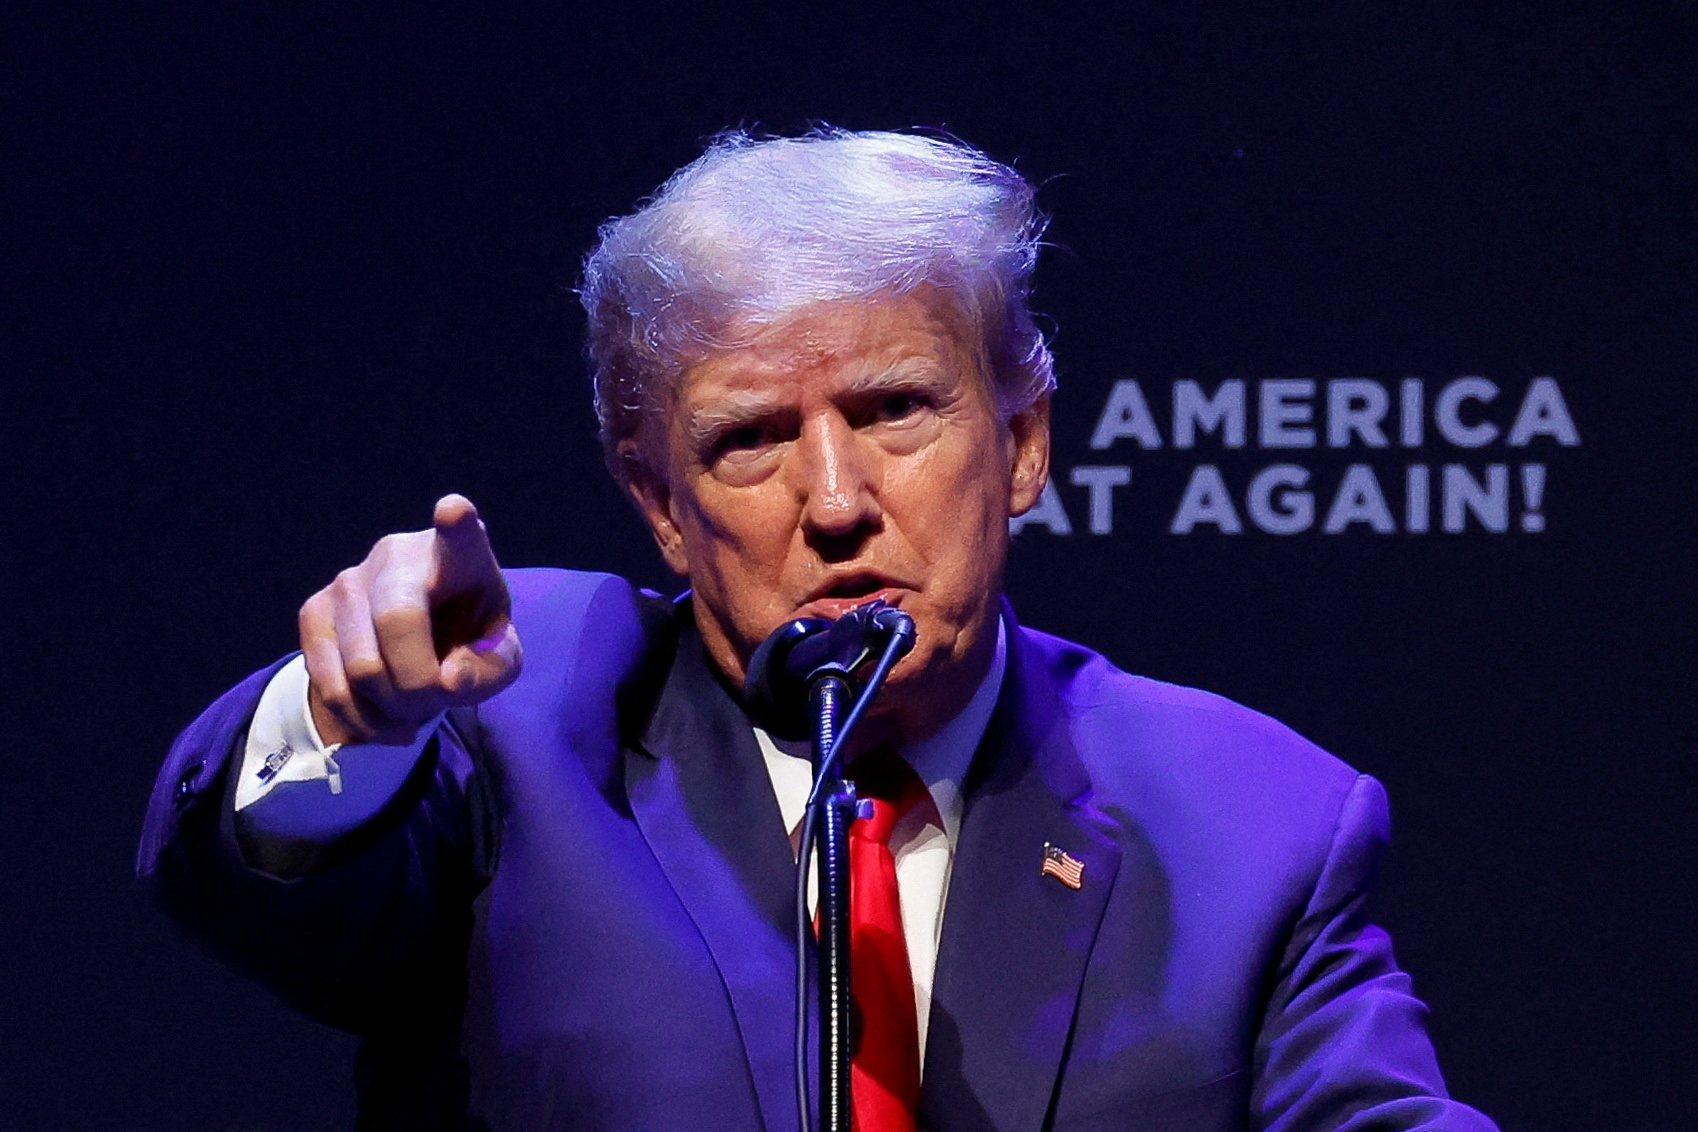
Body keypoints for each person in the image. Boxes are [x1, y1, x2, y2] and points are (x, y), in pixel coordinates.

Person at [139, 129, 1497, 1131]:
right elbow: (251, 889)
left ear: (1021, 444)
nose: (836, 503)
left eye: (895, 410)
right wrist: (353, 718)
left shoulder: (1248, 819)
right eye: (748, 441)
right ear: (661, 505)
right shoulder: (526, 712)